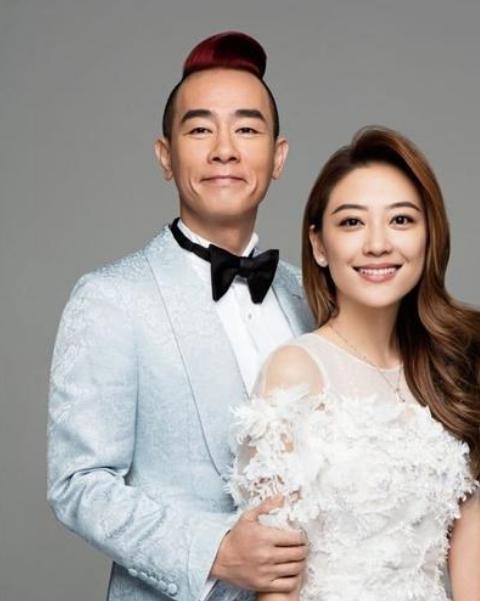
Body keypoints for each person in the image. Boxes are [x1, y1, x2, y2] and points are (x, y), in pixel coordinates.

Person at [47, 32, 314, 601]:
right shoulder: (110, 298)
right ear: (165, 156)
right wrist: (213, 551)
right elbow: (78, 483)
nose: (224, 150)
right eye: (199, 130)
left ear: (278, 156)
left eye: (247, 129)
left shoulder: (308, 296)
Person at [227, 126, 480, 601]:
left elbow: (471, 560)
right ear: (319, 245)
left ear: (429, 237)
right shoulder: (296, 372)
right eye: (352, 222)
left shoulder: (448, 370)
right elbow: (276, 581)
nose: (377, 244)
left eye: (401, 220)